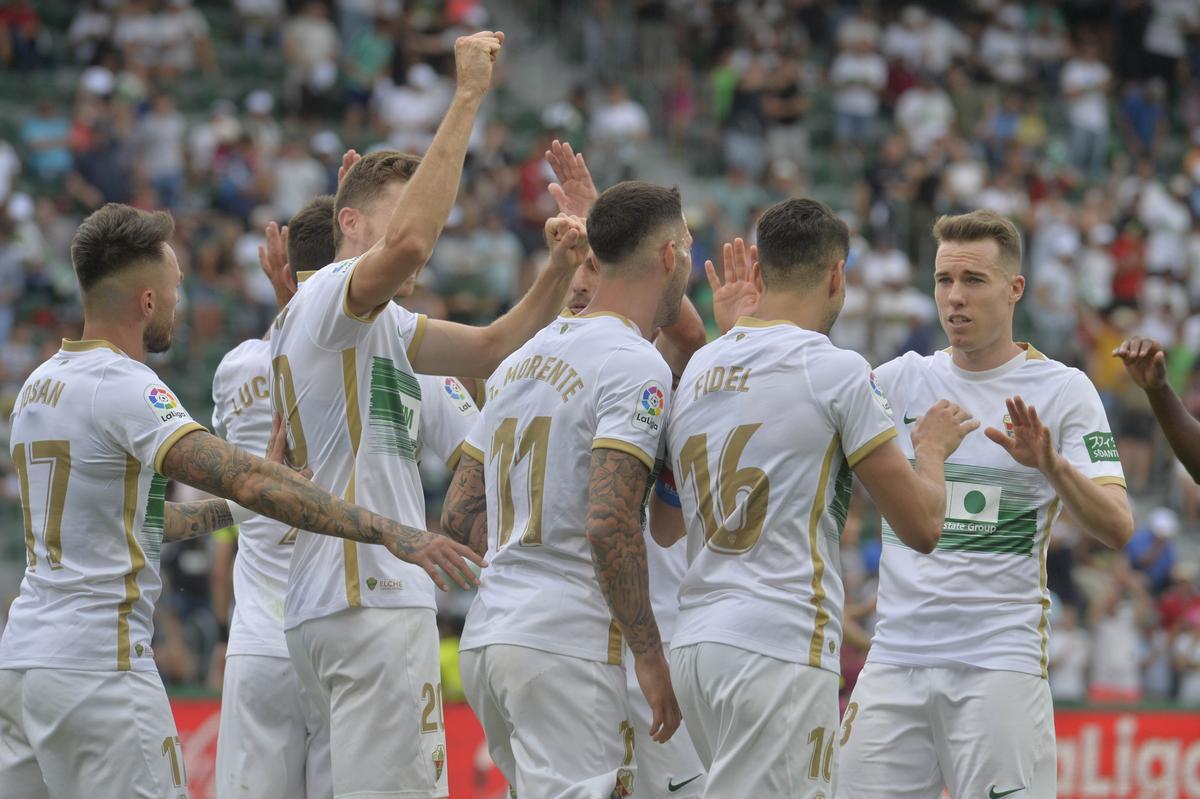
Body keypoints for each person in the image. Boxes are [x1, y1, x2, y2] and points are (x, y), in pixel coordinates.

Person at [0, 203, 482, 798]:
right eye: (174, 287)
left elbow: (147, 521)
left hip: (22, 662)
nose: (179, 299)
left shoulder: (39, 385)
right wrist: (386, 529)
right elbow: (244, 478)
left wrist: (242, 507)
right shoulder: (123, 386)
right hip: (98, 665)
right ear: (146, 302)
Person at [271, 30, 607, 797]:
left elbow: (493, 347)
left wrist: (559, 265)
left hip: (335, 606)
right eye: (387, 223)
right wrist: (466, 98)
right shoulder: (332, 293)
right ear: (348, 226)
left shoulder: (371, 323)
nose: (409, 247)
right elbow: (416, 241)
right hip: (371, 599)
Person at [662, 199, 975, 797]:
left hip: (697, 642)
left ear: (759, 269)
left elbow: (666, 524)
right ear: (837, 275)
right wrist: (931, 448)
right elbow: (921, 526)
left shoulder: (701, 366)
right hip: (777, 640)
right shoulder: (834, 369)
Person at [838, 210, 1133, 799]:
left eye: (973, 281)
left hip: (999, 661)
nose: (955, 298)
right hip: (895, 659)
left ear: (1014, 288)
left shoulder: (1064, 390)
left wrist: (1052, 466)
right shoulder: (898, 380)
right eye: (944, 280)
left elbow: (1118, 526)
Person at [212, 182, 482, 797]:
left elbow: (305, 352)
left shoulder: (239, 367)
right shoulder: (402, 348)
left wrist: (299, 297)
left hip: (266, 636)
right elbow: (476, 444)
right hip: (361, 610)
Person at [441, 181, 692, 797]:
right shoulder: (634, 364)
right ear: (668, 256)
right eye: (686, 246)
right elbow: (607, 523)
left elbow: (458, 512)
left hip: (492, 638)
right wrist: (651, 656)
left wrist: (532, 539)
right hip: (568, 645)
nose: (689, 259)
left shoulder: (518, 360)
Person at [547, 140, 710, 799]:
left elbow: (688, 335)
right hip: (583, 630)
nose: (585, 290)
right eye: (575, 284)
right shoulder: (555, 364)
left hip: (657, 624)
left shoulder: (650, 367)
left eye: (596, 272)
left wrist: (596, 221)